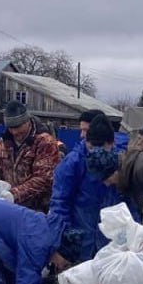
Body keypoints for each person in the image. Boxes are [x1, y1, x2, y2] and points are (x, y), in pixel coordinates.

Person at [49, 112, 130, 262]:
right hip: (82, 241)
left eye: (102, 147)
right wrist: (59, 243)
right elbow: (59, 204)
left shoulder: (123, 162)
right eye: (92, 146)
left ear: (111, 143)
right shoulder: (72, 164)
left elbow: (131, 203)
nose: (96, 151)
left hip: (114, 243)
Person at [0, 101, 61, 211]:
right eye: (11, 128)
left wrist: (14, 194)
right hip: (9, 208)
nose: (15, 132)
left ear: (27, 121)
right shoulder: (2, 143)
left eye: (18, 127)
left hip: (38, 209)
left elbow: (44, 178)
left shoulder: (44, 142)